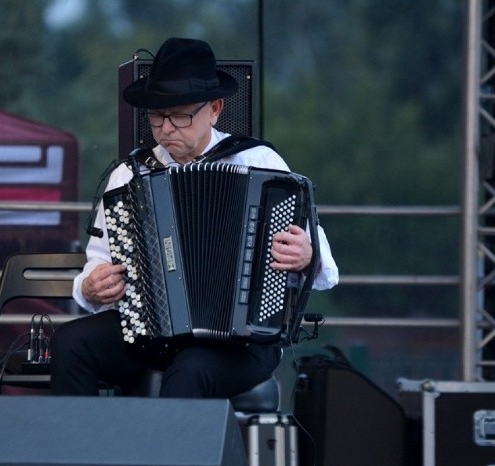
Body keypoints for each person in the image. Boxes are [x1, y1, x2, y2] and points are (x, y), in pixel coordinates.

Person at [50, 37, 338, 399]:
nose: (167, 128)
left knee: (192, 369)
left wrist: (307, 256)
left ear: (215, 109)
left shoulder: (260, 164)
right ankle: (81, 454)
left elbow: (325, 267)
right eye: (157, 117)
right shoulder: (129, 175)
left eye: (180, 115)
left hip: (243, 342)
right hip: (150, 332)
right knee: (70, 343)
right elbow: (97, 263)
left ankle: (168, 458)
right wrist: (90, 287)